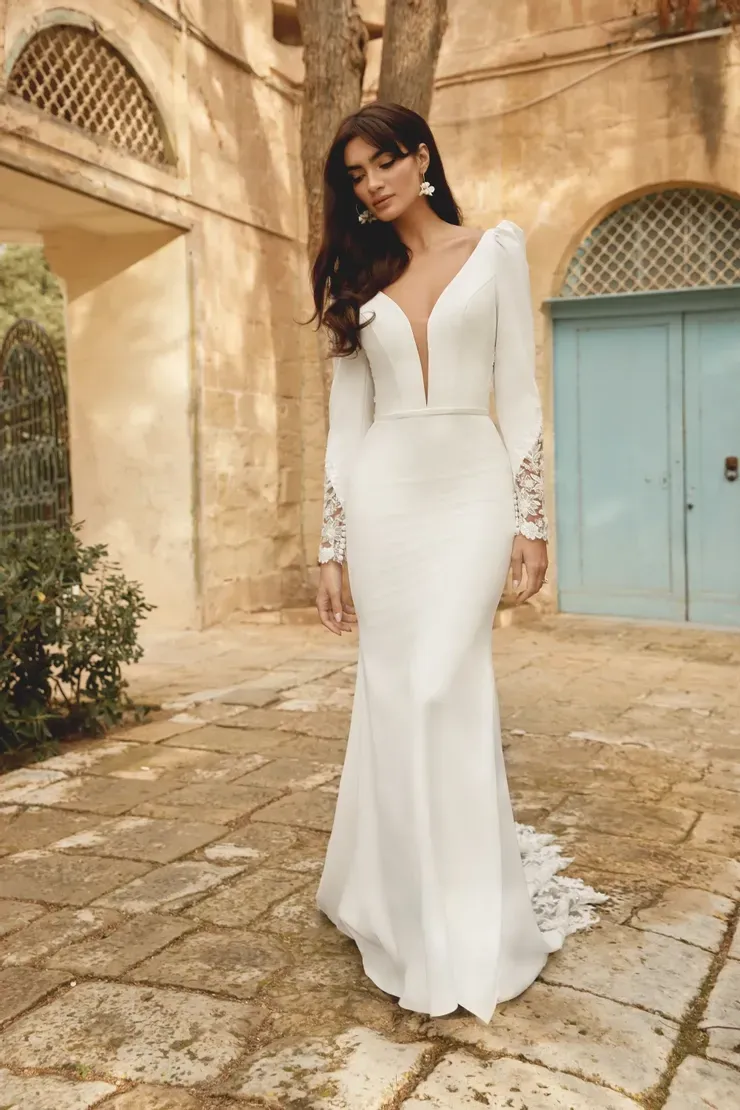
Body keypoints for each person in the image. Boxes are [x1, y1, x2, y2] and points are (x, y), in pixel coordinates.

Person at [309, 101, 604, 1024]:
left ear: (422, 156)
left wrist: (531, 517)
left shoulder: (497, 251)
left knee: (444, 683)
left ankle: (467, 916)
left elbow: (518, 392)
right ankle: (403, 908)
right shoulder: (359, 279)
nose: (373, 183)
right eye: (356, 176)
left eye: (384, 161)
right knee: (399, 689)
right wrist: (333, 544)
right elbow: (345, 427)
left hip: (473, 495)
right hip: (386, 498)